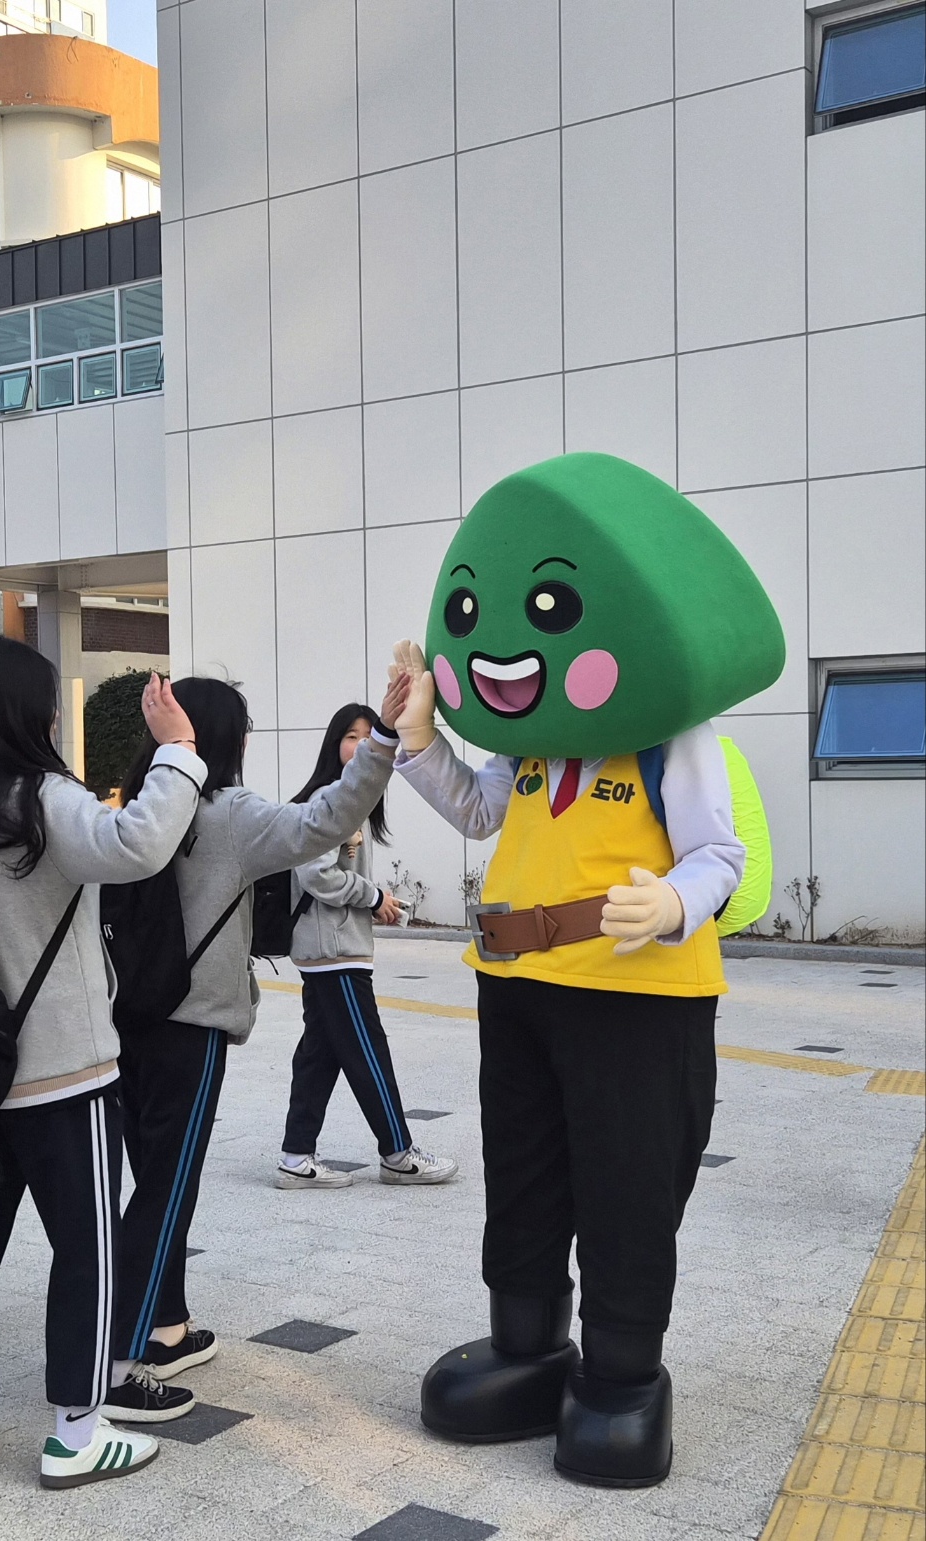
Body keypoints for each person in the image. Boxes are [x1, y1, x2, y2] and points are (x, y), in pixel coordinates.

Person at [389, 452, 782, 1487]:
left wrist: (673, 900)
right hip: (515, 987)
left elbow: (721, 853)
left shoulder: (668, 735)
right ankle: (528, 1344)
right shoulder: (529, 748)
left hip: (635, 995)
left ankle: (620, 1371)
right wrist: (419, 741)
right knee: (522, 1175)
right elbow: (479, 813)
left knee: (625, 1184)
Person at [0, 636, 207, 1489]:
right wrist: (177, 750)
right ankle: (77, 1428)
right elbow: (138, 845)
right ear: (30, 711)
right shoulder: (42, 798)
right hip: (63, 1074)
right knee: (86, 1247)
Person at [105, 671, 408, 1423]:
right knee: (168, 1192)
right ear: (226, 737)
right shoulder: (230, 813)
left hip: (124, 1019)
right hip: (193, 1021)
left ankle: (167, 1326)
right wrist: (383, 745)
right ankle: (120, 1361)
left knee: (151, 1184)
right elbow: (327, 817)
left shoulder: (143, 802)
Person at [276, 703, 457, 1190]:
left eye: (366, 736)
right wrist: (373, 896)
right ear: (334, 745)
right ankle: (397, 1151)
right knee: (367, 1050)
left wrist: (374, 896)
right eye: (350, 736)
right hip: (333, 950)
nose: (358, 746)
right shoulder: (326, 800)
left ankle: (296, 1156)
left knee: (322, 1052)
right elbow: (316, 875)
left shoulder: (351, 803)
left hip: (333, 946)